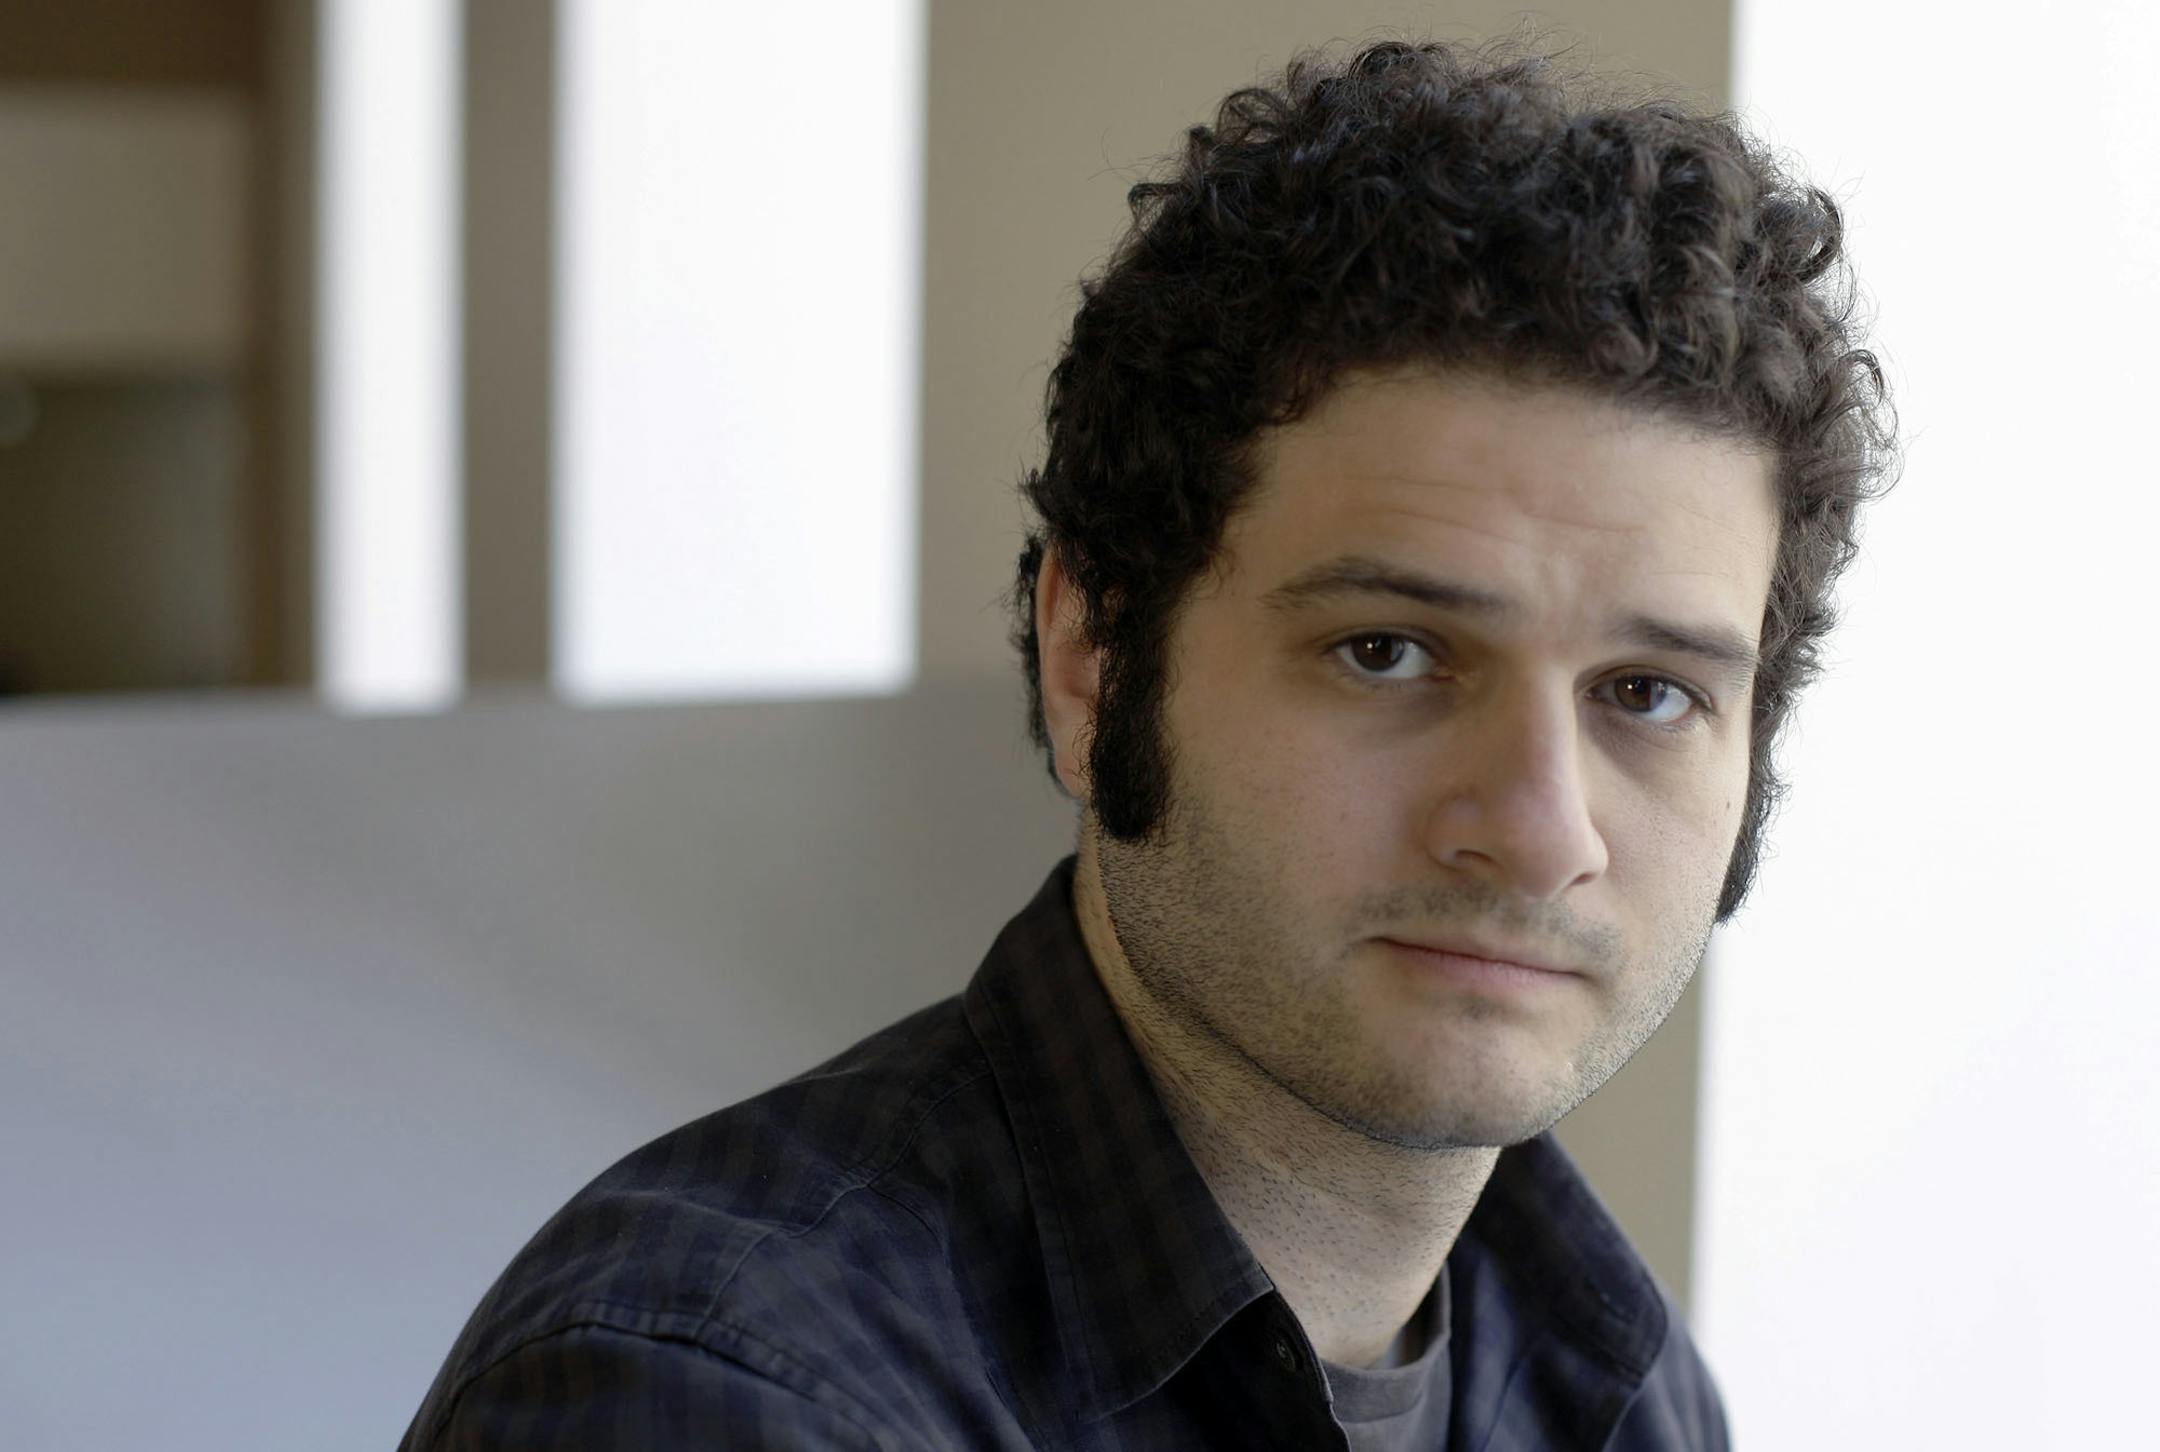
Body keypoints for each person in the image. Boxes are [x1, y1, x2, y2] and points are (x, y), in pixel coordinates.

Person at [401, 36, 1894, 1451]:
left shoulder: (1615, 1383)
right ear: (1092, 660)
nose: (1539, 830)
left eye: (1647, 694)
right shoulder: (710, 1393)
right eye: (1387, 652)